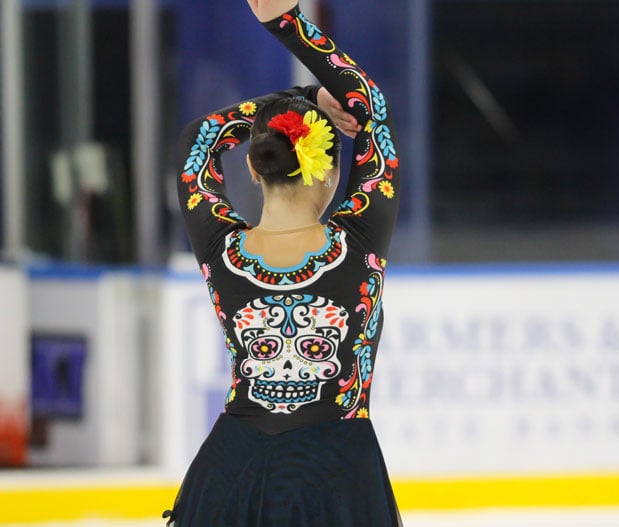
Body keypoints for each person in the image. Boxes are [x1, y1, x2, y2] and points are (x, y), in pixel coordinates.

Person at [166, 0, 401, 525]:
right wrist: (286, 24)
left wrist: (291, 102)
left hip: (231, 471)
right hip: (336, 474)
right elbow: (370, 109)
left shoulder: (220, 248)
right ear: (330, 171)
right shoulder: (359, 240)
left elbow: (196, 141)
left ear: (252, 167)